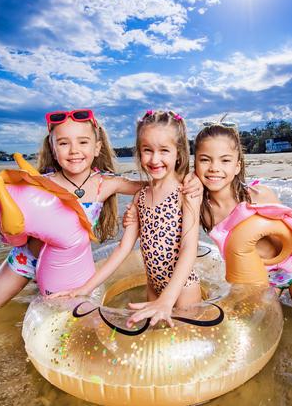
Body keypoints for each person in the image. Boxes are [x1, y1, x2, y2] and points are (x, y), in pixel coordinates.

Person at [0, 109, 201, 312]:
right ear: (53, 148)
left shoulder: (106, 183)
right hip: (26, 258)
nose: (74, 151)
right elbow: (12, 225)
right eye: (63, 143)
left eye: (83, 142)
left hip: (68, 265)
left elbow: (154, 185)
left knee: (62, 313)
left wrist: (193, 180)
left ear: (96, 147)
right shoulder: (39, 184)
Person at [49, 110, 203, 328]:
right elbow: (123, 249)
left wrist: (168, 298)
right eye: (147, 150)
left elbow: (189, 247)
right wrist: (84, 288)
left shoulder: (186, 193)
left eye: (164, 151)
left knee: (185, 340)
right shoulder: (139, 197)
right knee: (155, 340)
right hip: (153, 286)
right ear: (139, 153)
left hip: (183, 288)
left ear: (178, 153)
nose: (155, 159)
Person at [193, 120, 292, 322]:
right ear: (194, 162)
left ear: (237, 165)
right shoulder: (199, 207)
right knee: (260, 327)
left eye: (225, 160)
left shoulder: (258, 195)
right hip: (259, 278)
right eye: (205, 160)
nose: (214, 168)